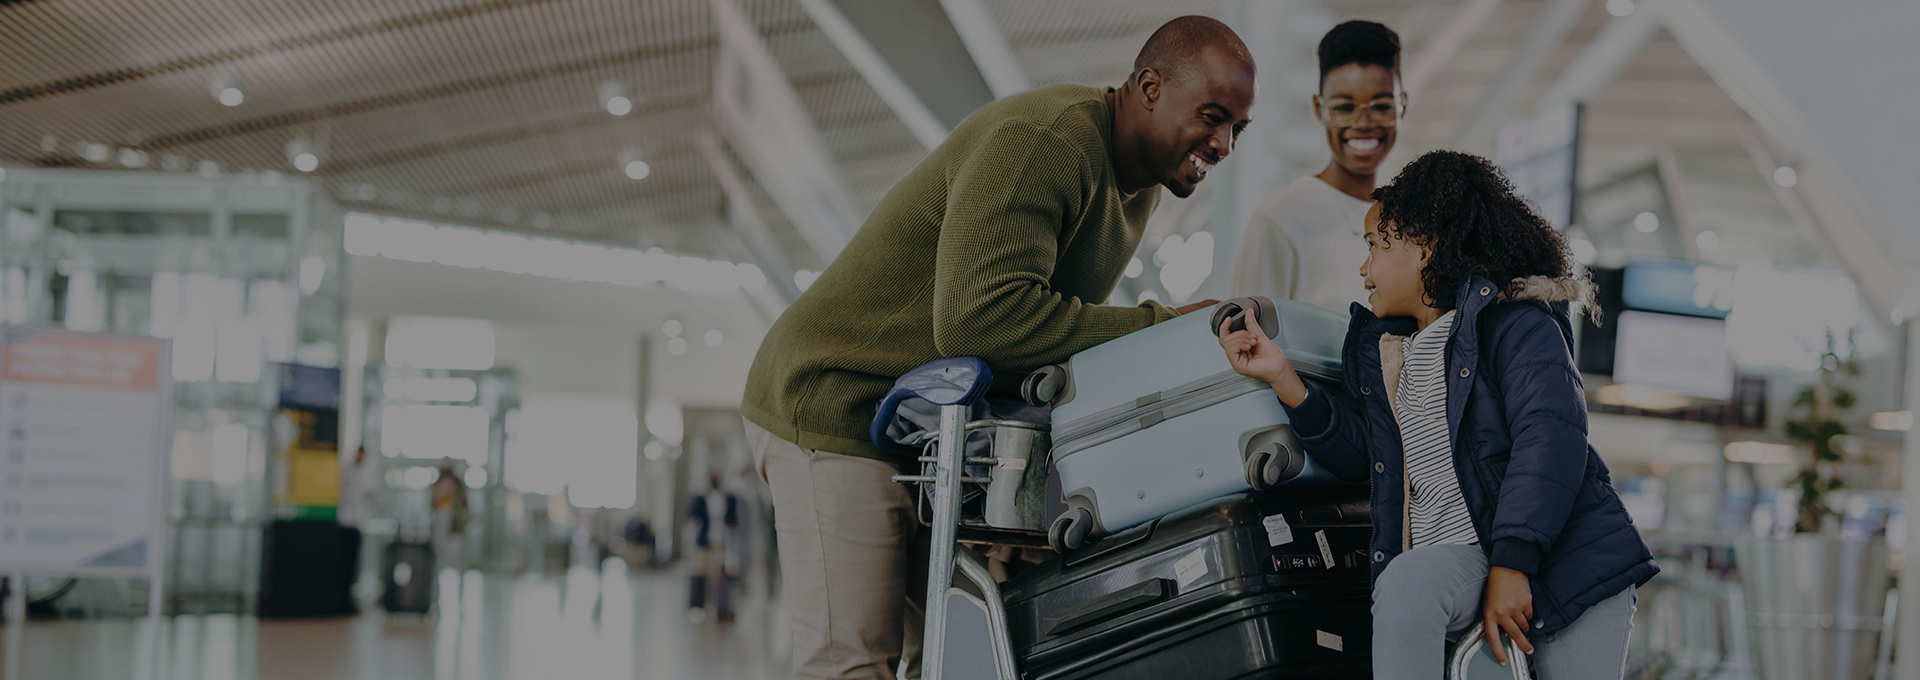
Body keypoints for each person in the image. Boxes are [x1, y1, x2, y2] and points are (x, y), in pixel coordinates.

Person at [741, 15, 1257, 679]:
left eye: (1238, 129)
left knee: (965, 655)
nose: (1223, 143)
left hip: (928, 430)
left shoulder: (1138, 186)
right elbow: (982, 322)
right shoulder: (1045, 141)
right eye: (1213, 117)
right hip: (837, 399)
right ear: (1150, 88)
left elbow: (1050, 337)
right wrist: (1167, 327)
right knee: (854, 663)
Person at [1218, 151, 1659, 679]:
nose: (1364, 268)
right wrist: (1282, 378)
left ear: (1425, 246)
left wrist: (1513, 563)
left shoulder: (1517, 324)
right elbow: (1363, 456)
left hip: (1570, 569)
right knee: (1409, 580)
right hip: (1470, 561)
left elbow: (1549, 440)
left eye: (1376, 245)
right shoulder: (1394, 354)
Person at [1229, 20, 1405, 313]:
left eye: (1381, 106)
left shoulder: (1409, 222)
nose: (1363, 123)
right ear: (1318, 109)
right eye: (1344, 107)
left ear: (1402, 106)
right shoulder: (1280, 221)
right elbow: (1244, 335)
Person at [686, 474, 739, 623]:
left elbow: (733, 520)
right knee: (699, 572)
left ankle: (721, 608)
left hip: (720, 542)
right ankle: (697, 607)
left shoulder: (727, 499)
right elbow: (691, 516)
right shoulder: (700, 499)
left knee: (720, 575)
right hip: (704, 542)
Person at [429, 458, 471, 574]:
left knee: (457, 549)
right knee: (438, 548)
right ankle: (436, 573)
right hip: (441, 515)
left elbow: (464, 502)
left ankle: (461, 574)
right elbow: (432, 502)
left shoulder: (458, 484)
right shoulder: (437, 483)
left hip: (455, 520)